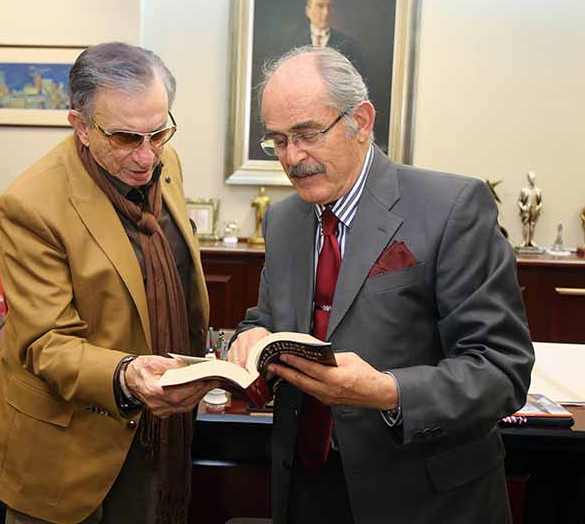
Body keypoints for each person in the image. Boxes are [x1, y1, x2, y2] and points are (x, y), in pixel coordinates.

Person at [228, 46, 533, 524]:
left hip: (424, 498)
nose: (293, 157)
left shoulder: (452, 207)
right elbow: (268, 318)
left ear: (362, 120)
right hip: (306, 486)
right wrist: (250, 336)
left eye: (307, 134)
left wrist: (387, 391)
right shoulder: (285, 219)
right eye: (278, 141)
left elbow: (501, 370)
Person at [0, 42, 216, 524]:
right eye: (127, 138)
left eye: (159, 132)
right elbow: (47, 344)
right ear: (81, 127)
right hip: (67, 452)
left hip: (156, 432)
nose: (147, 156)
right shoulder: (30, 205)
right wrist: (128, 375)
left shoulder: (164, 162)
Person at [304, 0, 363, 76]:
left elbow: (356, 82)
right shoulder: (292, 42)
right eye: (320, 6)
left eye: (330, 7)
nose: (326, 12)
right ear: (308, 10)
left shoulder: (349, 45)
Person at [517, 170, 542, 248]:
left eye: (534, 179)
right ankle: (524, 241)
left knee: (532, 225)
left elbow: (540, 202)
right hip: (526, 210)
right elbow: (519, 201)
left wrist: (538, 207)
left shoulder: (538, 190)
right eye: (531, 178)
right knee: (525, 225)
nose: (533, 180)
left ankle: (531, 241)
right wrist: (522, 207)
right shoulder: (524, 190)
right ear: (528, 179)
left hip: (534, 210)